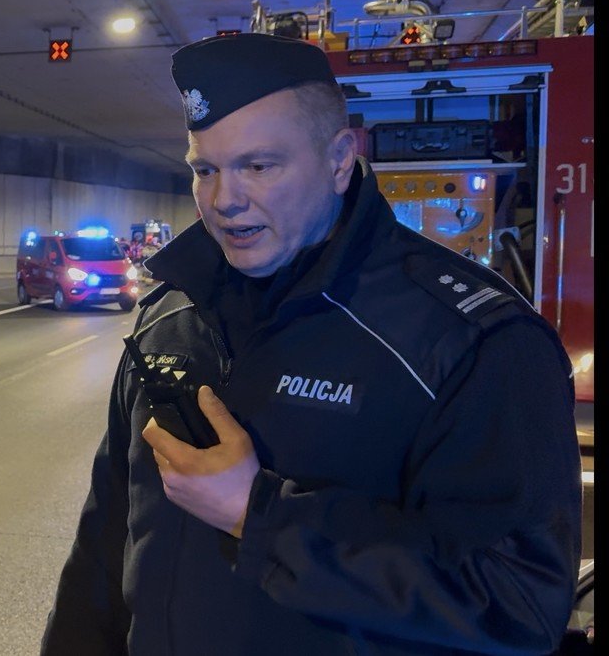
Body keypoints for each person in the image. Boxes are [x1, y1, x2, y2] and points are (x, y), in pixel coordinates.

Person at [42, 33, 581, 654]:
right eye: (205, 170)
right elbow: (104, 545)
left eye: (258, 166)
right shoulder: (170, 315)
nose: (224, 200)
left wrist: (262, 517)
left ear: (340, 159)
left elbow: (519, 600)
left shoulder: (470, 342)